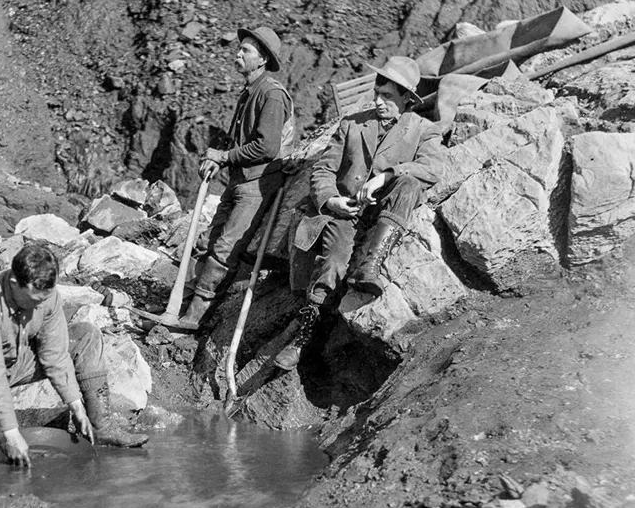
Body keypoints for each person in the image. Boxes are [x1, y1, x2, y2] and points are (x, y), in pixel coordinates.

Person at [274, 56, 443, 371]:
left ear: (407, 98)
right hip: (346, 213)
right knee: (332, 263)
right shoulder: (352, 123)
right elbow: (323, 170)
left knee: (408, 183)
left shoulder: (423, 130)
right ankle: (302, 339)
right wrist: (331, 200)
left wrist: (388, 175)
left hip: (384, 213)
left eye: (387, 96)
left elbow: (433, 167)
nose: (378, 101)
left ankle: (369, 268)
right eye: (377, 93)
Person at [0, 241, 147, 467]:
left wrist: (76, 405)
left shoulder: (46, 295)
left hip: (16, 357)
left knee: (86, 336)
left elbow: (56, 355)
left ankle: (101, 428)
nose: (39, 306)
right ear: (14, 283)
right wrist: (11, 433)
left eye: (44, 299)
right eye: (34, 300)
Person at [175, 25, 294, 331]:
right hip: (238, 180)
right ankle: (180, 302)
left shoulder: (271, 94)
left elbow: (267, 147)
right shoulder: (249, 91)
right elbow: (239, 140)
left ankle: (195, 316)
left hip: (257, 185)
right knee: (208, 241)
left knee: (225, 249)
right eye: (239, 48)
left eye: (246, 50)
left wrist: (225, 157)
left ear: (263, 59)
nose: (238, 54)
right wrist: (221, 160)